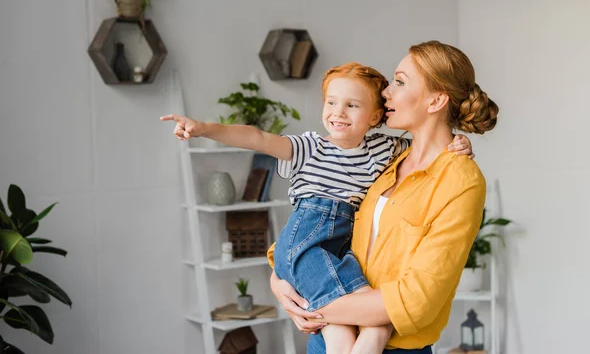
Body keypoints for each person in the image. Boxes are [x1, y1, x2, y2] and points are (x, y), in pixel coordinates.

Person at [160, 61, 473, 354]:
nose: (339, 112)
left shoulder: (383, 149)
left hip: (340, 245)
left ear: (375, 117)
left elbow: (432, 146)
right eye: (331, 102)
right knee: (349, 323)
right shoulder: (309, 147)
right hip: (307, 237)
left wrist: (458, 143)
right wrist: (203, 127)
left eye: (352, 105)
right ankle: (375, 329)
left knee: (349, 301)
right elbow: (256, 137)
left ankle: (375, 326)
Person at [268, 40, 499, 354]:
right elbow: (322, 232)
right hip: (326, 336)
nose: (386, 92)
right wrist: (281, 285)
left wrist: (313, 305)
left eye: (400, 82)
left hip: (392, 347)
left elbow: (416, 301)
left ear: (436, 101)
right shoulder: (384, 160)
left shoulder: (460, 180)